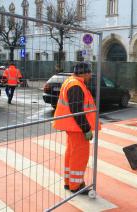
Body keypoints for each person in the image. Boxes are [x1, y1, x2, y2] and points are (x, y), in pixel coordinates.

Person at [52, 62, 101, 195]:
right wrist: (86, 129)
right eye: (89, 72)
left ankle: (70, 182)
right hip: (77, 129)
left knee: (72, 154)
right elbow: (77, 110)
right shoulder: (76, 85)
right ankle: (76, 185)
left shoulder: (72, 82)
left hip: (73, 127)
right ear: (84, 73)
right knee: (79, 156)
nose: (90, 75)